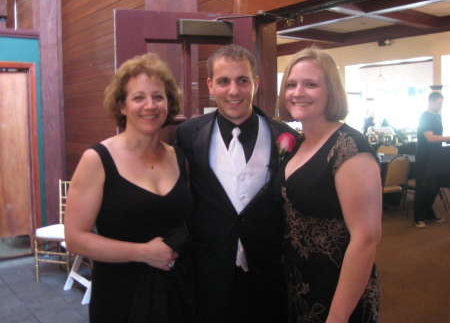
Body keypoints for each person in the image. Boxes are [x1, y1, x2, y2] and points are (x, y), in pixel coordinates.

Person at [64, 53, 195, 323]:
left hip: (175, 293)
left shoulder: (178, 157)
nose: (150, 105)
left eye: (158, 97)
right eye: (138, 97)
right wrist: (141, 253)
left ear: (168, 103)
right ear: (122, 106)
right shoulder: (98, 160)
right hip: (120, 297)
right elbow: (75, 238)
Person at [176, 44, 296, 323]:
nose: (234, 90)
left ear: (255, 83)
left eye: (242, 80)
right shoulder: (187, 134)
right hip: (209, 271)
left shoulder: (286, 136)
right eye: (223, 81)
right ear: (210, 85)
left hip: (267, 272)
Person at [275, 47, 382, 323]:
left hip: (337, 290)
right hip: (300, 284)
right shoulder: (297, 144)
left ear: (330, 91)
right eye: (291, 84)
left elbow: (366, 238)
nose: (298, 92)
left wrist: (337, 317)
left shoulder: (349, 148)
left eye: (311, 84)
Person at [413, 91, 449, 228]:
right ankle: (418, 217)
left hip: (436, 156)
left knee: (434, 186)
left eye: (441, 103)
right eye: (439, 103)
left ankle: (429, 213)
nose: (440, 106)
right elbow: (430, 138)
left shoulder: (437, 117)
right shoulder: (424, 117)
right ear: (431, 102)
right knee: (422, 186)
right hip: (425, 156)